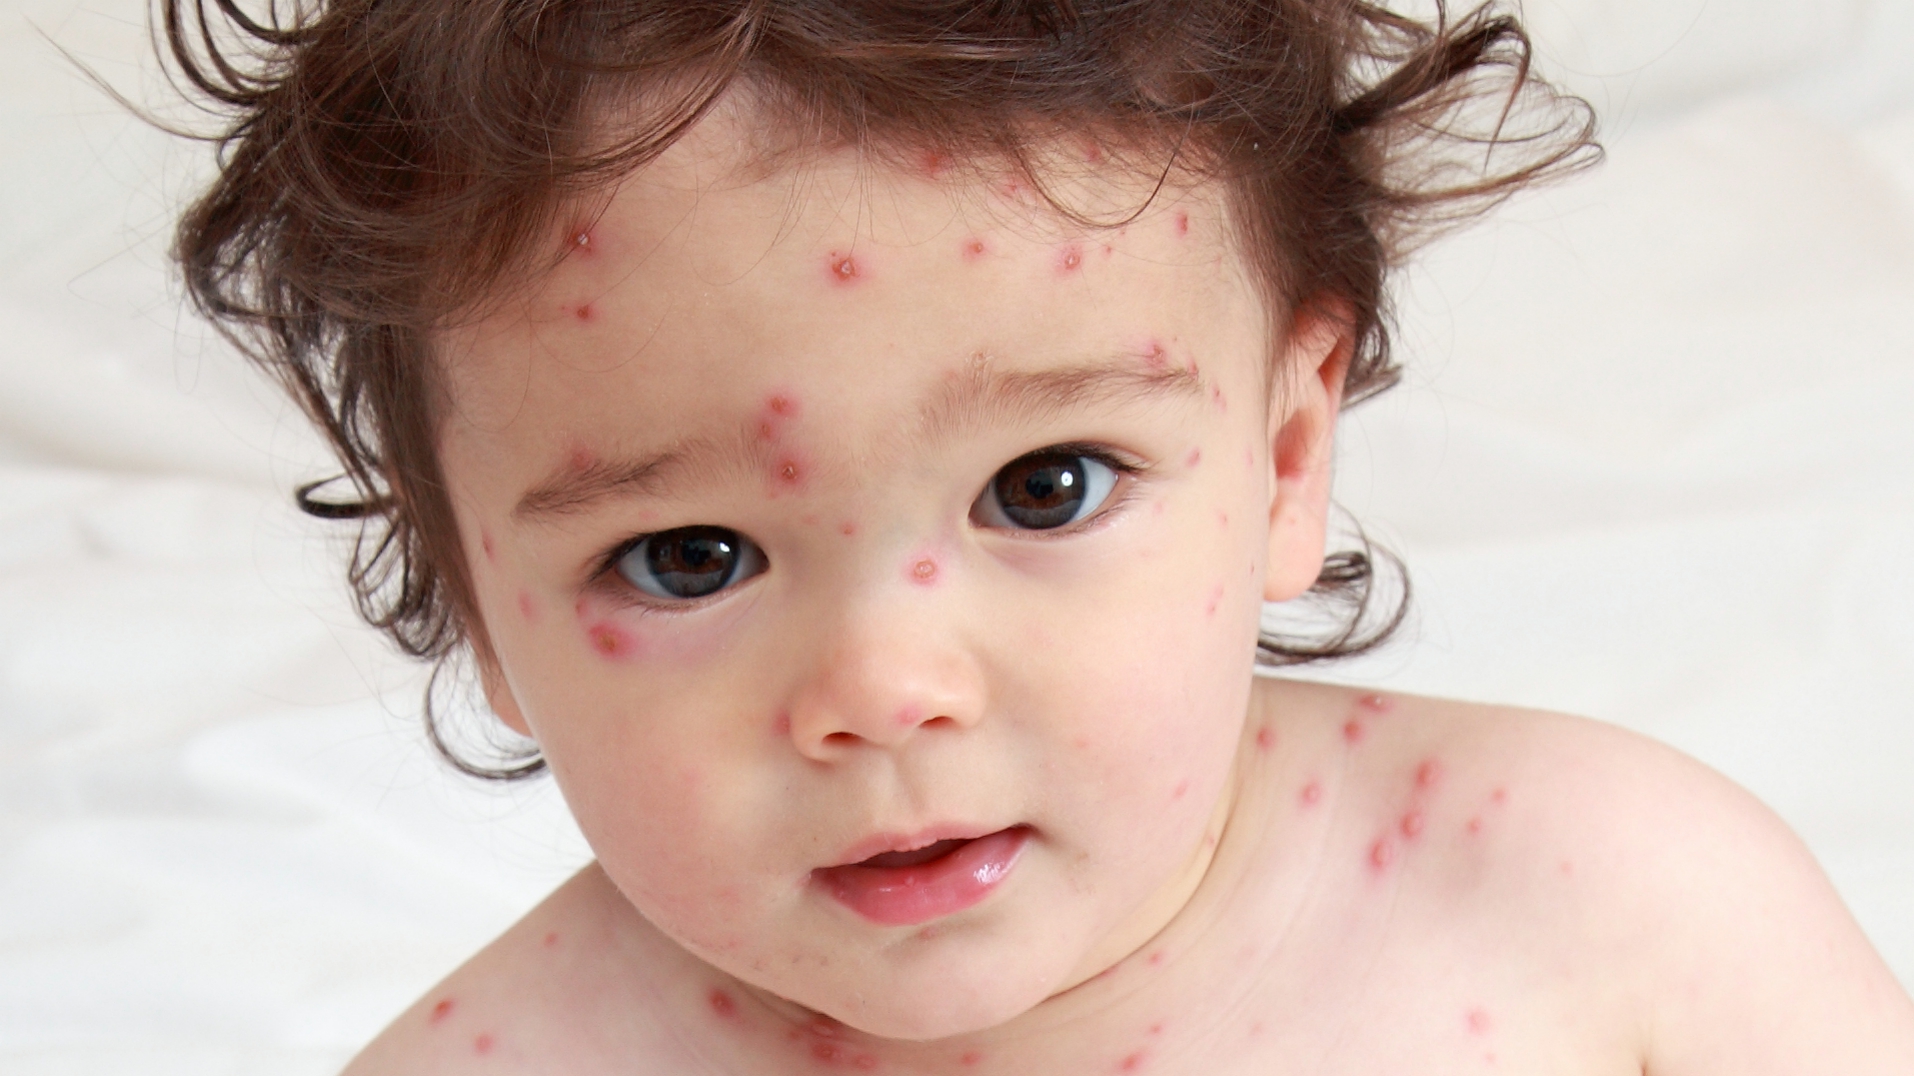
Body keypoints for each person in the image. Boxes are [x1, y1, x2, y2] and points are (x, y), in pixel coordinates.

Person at [157, 1, 1914, 1071]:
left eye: (1045, 486)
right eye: (687, 556)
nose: (885, 690)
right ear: (475, 600)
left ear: (1287, 453)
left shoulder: (1607, 903)